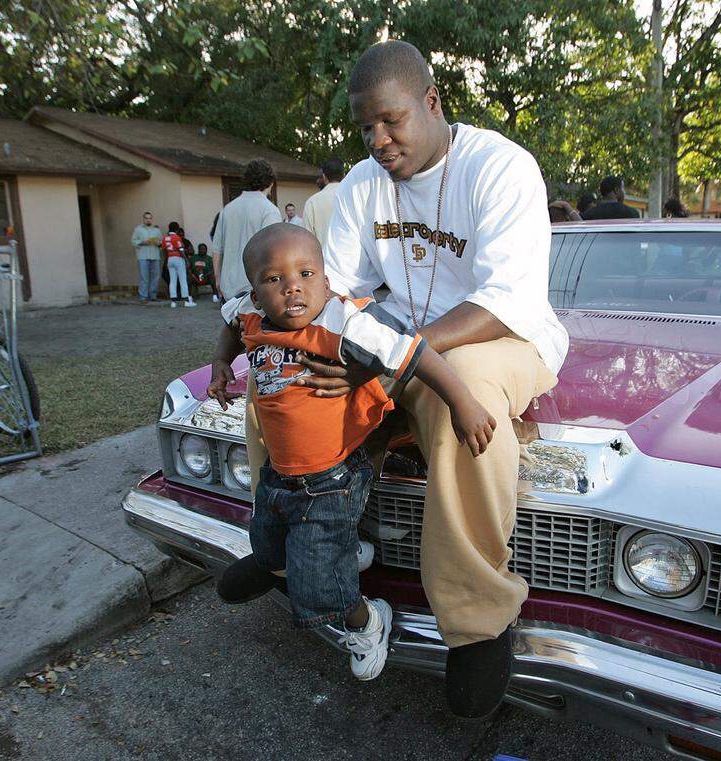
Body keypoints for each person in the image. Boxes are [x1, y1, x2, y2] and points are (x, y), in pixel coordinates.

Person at [234, 41, 567, 719]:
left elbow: (508, 300)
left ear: (432, 101)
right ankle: (279, 546)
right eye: (364, 128)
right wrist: (337, 345)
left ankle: (477, 620)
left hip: (502, 338)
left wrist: (390, 353)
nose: (378, 140)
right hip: (392, 342)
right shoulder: (363, 182)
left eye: (391, 121)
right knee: (277, 368)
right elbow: (338, 290)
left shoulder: (500, 167)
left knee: (460, 391)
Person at [207, 223, 497, 681]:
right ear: (256, 292)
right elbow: (229, 324)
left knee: (321, 590)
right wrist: (222, 363)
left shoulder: (342, 324)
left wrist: (462, 403)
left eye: (306, 272)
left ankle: (368, 620)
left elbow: (415, 353)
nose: (292, 287)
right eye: (273, 279)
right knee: (267, 550)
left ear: (326, 279)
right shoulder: (251, 316)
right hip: (279, 476)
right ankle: (345, 551)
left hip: (330, 480)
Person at [211, 159, 282, 299]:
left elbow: (217, 249)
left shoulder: (227, 209)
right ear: (271, 182)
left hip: (228, 287)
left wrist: (217, 279)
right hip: (256, 289)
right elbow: (272, 251)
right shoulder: (270, 210)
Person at [303, 157, 346, 248]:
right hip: (354, 260)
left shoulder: (312, 202)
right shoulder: (353, 197)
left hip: (322, 259)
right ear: (344, 175)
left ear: (324, 176)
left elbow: (306, 240)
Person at [130, 212, 163, 303]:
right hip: (143, 256)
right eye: (146, 218)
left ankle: (153, 296)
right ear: (143, 219)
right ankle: (143, 297)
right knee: (144, 277)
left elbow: (161, 242)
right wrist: (142, 242)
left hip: (155, 255)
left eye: (150, 218)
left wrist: (159, 243)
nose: (148, 220)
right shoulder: (138, 229)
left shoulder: (157, 230)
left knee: (155, 276)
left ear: (152, 219)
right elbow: (133, 241)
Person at [161, 222, 194, 308]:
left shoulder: (165, 238)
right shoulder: (176, 237)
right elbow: (181, 250)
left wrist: (167, 260)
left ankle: (173, 302)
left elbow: (164, 250)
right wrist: (186, 260)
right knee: (183, 280)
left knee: (172, 280)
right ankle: (186, 301)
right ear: (176, 229)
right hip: (178, 258)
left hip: (170, 258)